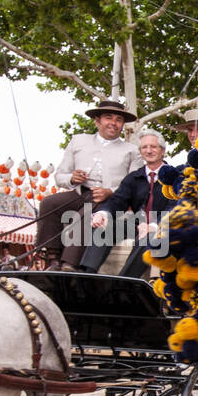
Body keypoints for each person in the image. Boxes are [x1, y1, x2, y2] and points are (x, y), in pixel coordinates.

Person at [35, 98, 143, 270]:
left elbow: (135, 185)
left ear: (123, 125)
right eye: (108, 117)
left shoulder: (131, 150)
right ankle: (52, 256)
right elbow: (60, 175)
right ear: (97, 120)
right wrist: (72, 178)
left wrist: (111, 192)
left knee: (85, 213)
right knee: (49, 203)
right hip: (79, 193)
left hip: (111, 201)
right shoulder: (78, 141)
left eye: (119, 119)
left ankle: (69, 263)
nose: (113, 123)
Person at [85, 129, 176, 274]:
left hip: (163, 227)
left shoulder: (174, 176)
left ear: (163, 150)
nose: (149, 150)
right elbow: (117, 200)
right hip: (137, 225)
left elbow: (175, 207)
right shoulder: (134, 177)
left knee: (149, 236)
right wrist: (103, 213)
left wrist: (153, 225)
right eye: (144, 147)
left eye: (153, 147)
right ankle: (86, 276)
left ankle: (124, 284)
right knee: (103, 227)